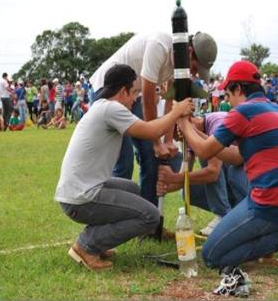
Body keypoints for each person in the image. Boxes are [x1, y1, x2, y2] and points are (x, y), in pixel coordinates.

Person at [177, 60, 278, 296]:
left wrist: (184, 124)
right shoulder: (274, 108)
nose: (227, 101)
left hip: (269, 202)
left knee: (212, 255)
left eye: (228, 94)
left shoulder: (242, 112)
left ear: (239, 89)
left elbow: (206, 151)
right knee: (229, 241)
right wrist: (196, 131)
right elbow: (235, 156)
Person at [55, 64, 194, 271]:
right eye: (135, 93)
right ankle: (87, 245)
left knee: (133, 191)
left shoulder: (102, 106)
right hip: (81, 198)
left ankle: (98, 242)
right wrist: (176, 111)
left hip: (77, 192)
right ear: (123, 91)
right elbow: (148, 130)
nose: (135, 99)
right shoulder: (112, 109)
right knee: (151, 216)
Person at [89, 31, 217, 238]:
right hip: (108, 91)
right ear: (189, 52)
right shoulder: (159, 46)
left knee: (150, 157)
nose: (193, 74)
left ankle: (148, 226)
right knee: (123, 162)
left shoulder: (180, 65)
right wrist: (156, 141)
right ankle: (110, 230)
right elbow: (149, 95)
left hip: (132, 95)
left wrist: (167, 141)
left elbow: (168, 100)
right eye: (195, 68)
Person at [157, 112, 249, 236]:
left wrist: (174, 178)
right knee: (187, 192)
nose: (177, 139)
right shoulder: (191, 138)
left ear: (189, 121)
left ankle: (223, 215)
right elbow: (183, 176)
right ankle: (234, 214)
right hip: (235, 184)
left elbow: (213, 172)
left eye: (176, 133)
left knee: (207, 152)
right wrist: (166, 185)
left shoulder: (217, 123)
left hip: (246, 178)